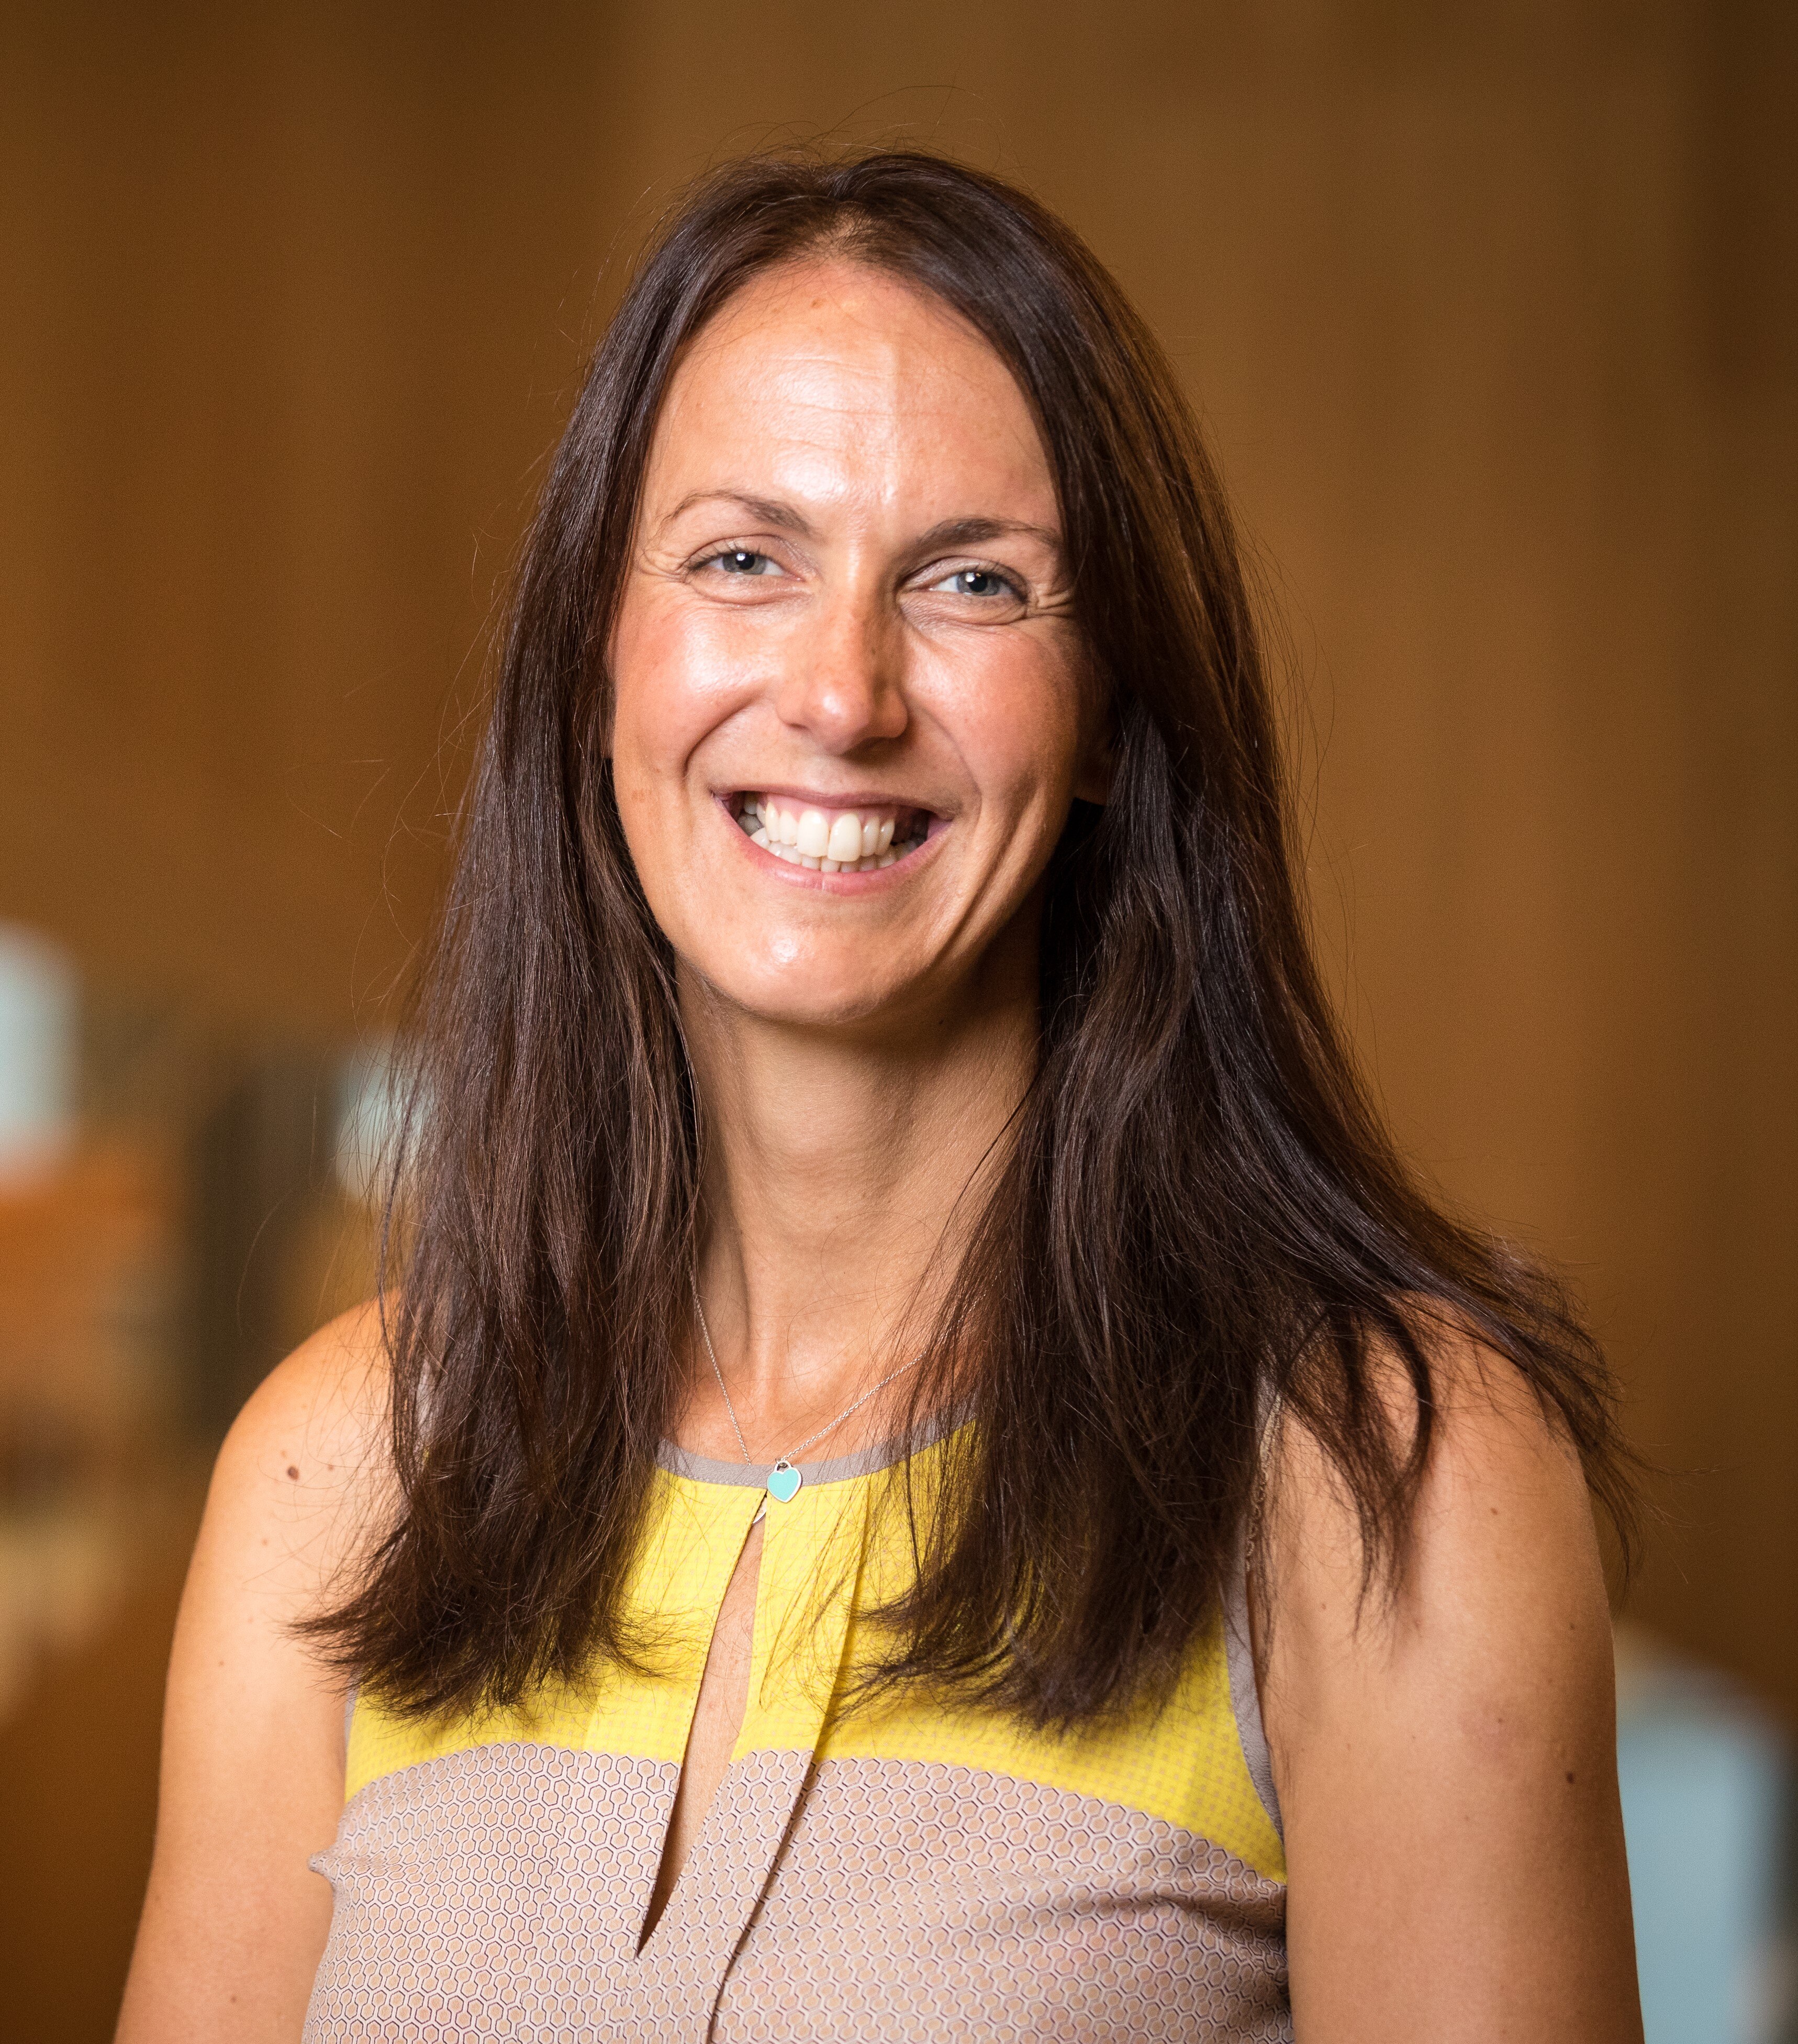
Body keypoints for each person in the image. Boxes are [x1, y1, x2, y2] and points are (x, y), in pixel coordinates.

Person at [118, 150, 1643, 2043]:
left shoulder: (1380, 1476)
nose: (842, 692)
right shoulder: (338, 1470)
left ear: (1100, 715)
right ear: (605, 653)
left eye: (971, 582)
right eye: (743, 558)